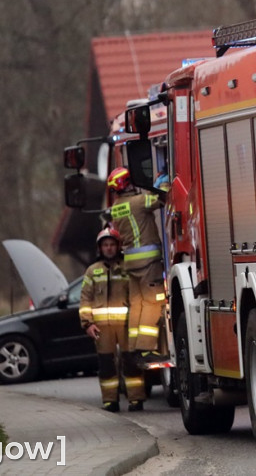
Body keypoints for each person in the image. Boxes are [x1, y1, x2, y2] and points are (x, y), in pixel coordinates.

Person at [107, 166, 168, 411]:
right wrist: (162, 179)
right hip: (148, 261)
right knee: (153, 303)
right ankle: (144, 349)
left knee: (137, 306)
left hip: (131, 262)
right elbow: (162, 198)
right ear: (127, 184)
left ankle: (133, 349)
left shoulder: (116, 208)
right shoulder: (139, 201)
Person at [79, 227, 143, 412]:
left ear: (118, 246)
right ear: (100, 248)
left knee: (131, 362)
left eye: (112, 244)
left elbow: (137, 296)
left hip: (126, 325)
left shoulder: (127, 269)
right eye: (105, 245)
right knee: (106, 364)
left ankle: (136, 399)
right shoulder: (92, 271)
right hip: (101, 328)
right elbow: (85, 299)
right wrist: (87, 323)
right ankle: (110, 401)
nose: (109, 248)